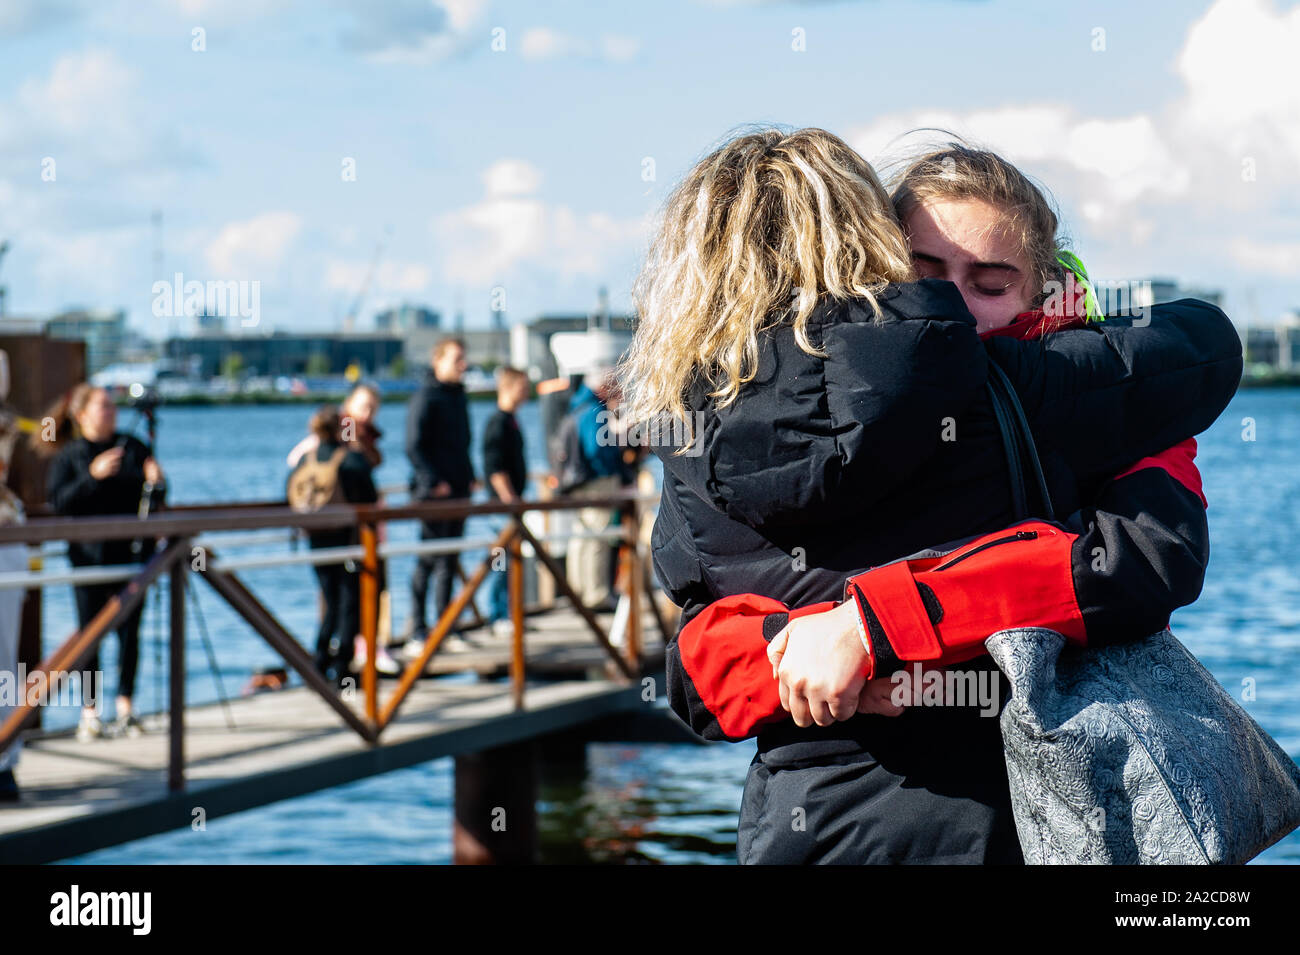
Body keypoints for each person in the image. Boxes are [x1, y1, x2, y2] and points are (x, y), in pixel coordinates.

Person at [621, 128, 1242, 863]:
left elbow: (691, 671)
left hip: (809, 829)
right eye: (926, 273)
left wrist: (805, 646)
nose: (952, 307)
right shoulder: (1022, 394)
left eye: (988, 282)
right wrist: (862, 632)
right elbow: (1143, 550)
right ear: (872, 254)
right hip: (1021, 820)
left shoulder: (698, 430)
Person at [38, 384, 167, 742]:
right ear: (82, 416)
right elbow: (60, 503)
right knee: (89, 638)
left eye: (113, 406)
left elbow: (155, 500)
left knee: (130, 635)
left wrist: (158, 483)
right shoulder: (71, 456)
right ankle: (90, 713)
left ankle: (126, 707)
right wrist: (92, 477)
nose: (110, 412)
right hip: (88, 561)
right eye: (103, 407)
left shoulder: (132, 447)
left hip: (132, 559)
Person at [288, 405, 378, 685]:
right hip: (348, 539)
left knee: (330, 596)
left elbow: (290, 491)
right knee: (349, 601)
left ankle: (319, 659)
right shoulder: (350, 459)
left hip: (316, 539)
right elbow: (370, 496)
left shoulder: (307, 459)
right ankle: (341, 666)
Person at [404, 338, 475, 652]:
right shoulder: (426, 397)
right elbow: (412, 445)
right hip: (432, 494)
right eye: (456, 359)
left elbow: (462, 444)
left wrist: (470, 477)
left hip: (459, 491)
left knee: (450, 559)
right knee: (429, 559)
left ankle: (446, 627)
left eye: (464, 359)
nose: (463, 365)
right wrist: (433, 482)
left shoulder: (458, 397)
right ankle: (417, 629)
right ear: (438, 361)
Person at [562, 369, 628, 611]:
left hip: (579, 482)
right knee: (597, 538)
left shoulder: (577, 406)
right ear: (603, 387)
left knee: (582, 536)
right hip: (597, 482)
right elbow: (596, 449)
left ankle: (578, 590)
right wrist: (612, 470)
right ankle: (596, 594)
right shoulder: (594, 411)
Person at [482, 367, 530, 636]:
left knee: (511, 560)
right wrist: (509, 501)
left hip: (512, 503)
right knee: (500, 560)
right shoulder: (497, 423)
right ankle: (497, 614)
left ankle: (510, 611)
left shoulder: (511, 420)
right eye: (522, 387)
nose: (526, 392)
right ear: (509, 388)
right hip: (502, 507)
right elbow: (494, 467)